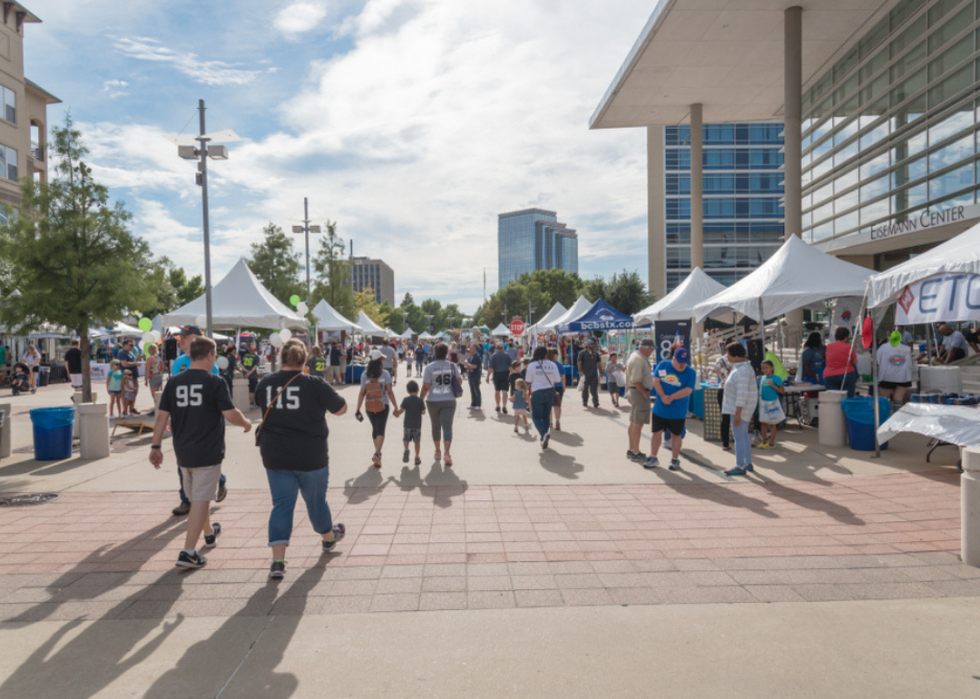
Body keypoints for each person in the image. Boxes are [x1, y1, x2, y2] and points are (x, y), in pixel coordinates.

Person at [149, 336, 251, 569]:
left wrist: (155, 447)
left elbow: (161, 417)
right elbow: (230, 412)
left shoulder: (173, 383)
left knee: (197, 497)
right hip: (208, 451)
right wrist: (246, 423)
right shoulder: (214, 381)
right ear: (209, 355)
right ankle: (188, 552)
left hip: (183, 450)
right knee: (201, 498)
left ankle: (208, 532)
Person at [254, 338, 347, 579]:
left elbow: (260, 405)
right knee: (316, 501)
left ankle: (277, 561)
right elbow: (341, 409)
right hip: (311, 453)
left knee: (282, 505)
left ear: (280, 358)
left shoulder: (266, 383)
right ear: (304, 359)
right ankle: (328, 537)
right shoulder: (314, 383)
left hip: (276, 454)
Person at [170, 325, 226, 516]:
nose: (182, 340)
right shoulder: (178, 362)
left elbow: (215, 394)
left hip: (203, 423)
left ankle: (213, 484)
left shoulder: (211, 363)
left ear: (197, 339)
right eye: (181, 337)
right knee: (183, 461)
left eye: (186, 336)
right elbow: (174, 391)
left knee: (201, 462)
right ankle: (187, 499)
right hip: (183, 421)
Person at [646, 348, 696, 471]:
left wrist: (672, 397)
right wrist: (663, 396)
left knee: (676, 434)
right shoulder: (663, 365)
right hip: (660, 409)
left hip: (678, 411)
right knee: (657, 432)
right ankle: (653, 456)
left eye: (684, 362)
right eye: (679, 361)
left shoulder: (690, 372)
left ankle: (675, 459)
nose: (682, 365)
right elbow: (656, 381)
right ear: (673, 359)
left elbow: (688, 390)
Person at [355, 349, 398, 468]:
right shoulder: (385, 374)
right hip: (383, 404)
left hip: (369, 406)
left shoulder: (364, 375)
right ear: (380, 361)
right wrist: (395, 406)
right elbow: (389, 392)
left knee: (375, 429)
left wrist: (357, 409)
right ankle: (377, 454)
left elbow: (362, 392)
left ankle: (377, 453)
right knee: (381, 429)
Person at [420, 343, 460, 466]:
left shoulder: (429, 367)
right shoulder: (452, 366)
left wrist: (420, 399)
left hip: (433, 400)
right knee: (447, 426)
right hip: (449, 399)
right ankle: (447, 453)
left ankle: (437, 451)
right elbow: (459, 381)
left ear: (435, 353)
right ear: (446, 352)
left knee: (435, 425)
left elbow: (426, 386)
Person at [722, 342, 758, 477]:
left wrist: (738, 413)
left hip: (739, 409)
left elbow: (742, 394)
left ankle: (740, 465)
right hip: (740, 408)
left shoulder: (742, 370)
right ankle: (747, 462)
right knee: (743, 436)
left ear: (736, 355)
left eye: (728, 353)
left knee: (739, 437)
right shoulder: (742, 368)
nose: (727, 356)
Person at [525, 345, 562, 450]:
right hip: (550, 392)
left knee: (536, 417)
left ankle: (543, 434)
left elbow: (527, 381)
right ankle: (543, 438)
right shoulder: (552, 364)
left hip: (537, 392)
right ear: (546, 354)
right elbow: (558, 380)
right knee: (546, 416)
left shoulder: (532, 365)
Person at [626, 339, 655, 461]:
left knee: (634, 422)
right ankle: (635, 452)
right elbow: (636, 380)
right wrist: (644, 392)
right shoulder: (639, 359)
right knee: (638, 424)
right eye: (652, 349)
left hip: (635, 392)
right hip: (639, 392)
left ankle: (632, 449)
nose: (652, 351)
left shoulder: (635, 356)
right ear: (646, 347)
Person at [394, 379, 425, 466]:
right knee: (417, 441)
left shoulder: (406, 400)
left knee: (406, 439)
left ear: (407, 391)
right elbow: (423, 412)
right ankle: (417, 457)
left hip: (407, 424)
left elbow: (401, 410)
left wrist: (396, 414)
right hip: (417, 425)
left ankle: (406, 449)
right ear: (418, 390)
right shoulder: (420, 400)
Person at [877, 330, 913, 403]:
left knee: (883, 399)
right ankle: (898, 413)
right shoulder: (907, 349)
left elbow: (877, 362)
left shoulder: (883, 348)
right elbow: (910, 363)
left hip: (887, 377)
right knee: (898, 398)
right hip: (902, 378)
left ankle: (885, 413)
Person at [824, 327, 859, 398]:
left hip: (829, 375)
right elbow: (855, 362)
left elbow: (826, 360)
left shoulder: (828, 347)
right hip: (846, 374)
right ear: (846, 338)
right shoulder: (848, 347)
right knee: (847, 398)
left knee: (833, 399)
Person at [758, 360, 785, 449]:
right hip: (763, 403)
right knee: (763, 422)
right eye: (763, 368)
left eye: (766, 368)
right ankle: (764, 441)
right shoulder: (761, 378)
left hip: (773, 403)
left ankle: (772, 443)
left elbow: (782, 391)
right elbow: (758, 390)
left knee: (773, 423)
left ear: (772, 368)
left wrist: (773, 385)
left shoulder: (776, 378)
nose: (764, 370)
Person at [713, 351, 735, 451]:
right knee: (737, 416)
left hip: (722, 388)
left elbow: (717, 373)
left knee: (725, 418)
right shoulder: (737, 361)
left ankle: (725, 443)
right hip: (734, 389)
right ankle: (737, 439)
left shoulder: (719, 360)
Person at [486, 342, 512, 414]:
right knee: (504, 391)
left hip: (496, 374)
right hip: (505, 374)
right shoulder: (506, 355)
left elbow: (490, 368)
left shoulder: (494, 356)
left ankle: (498, 405)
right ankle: (504, 406)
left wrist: (488, 376)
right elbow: (510, 366)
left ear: (496, 348)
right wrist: (511, 375)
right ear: (503, 347)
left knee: (497, 391)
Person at [116, 340, 141, 412]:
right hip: (126, 376)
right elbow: (124, 364)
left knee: (134, 392)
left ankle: (131, 408)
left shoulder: (130, 352)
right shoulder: (122, 352)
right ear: (125, 345)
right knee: (125, 393)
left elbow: (132, 360)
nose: (132, 347)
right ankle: (125, 410)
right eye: (130, 345)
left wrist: (138, 359)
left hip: (133, 376)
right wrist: (135, 364)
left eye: (133, 345)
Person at [577, 341, 601, 409]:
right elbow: (579, 362)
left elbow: (599, 363)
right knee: (585, 389)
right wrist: (580, 371)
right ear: (587, 345)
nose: (593, 345)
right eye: (591, 344)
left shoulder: (596, 354)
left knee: (594, 389)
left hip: (594, 374)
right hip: (585, 374)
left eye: (593, 344)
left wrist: (601, 372)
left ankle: (595, 402)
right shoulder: (582, 353)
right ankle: (585, 401)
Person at [547, 348, 565, 431]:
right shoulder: (559, 365)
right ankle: (557, 420)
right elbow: (563, 377)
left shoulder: (546, 364)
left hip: (548, 386)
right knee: (557, 404)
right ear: (555, 355)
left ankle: (550, 422)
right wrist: (564, 387)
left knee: (549, 405)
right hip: (558, 386)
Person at [144, 343, 164, 411]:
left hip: (153, 377)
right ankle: (158, 407)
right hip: (158, 376)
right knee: (158, 393)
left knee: (154, 395)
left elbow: (148, 370)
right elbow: (163, 367)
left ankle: (157, 408)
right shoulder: (158, 358)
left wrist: (146, 380)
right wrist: (158, 371)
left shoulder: (149, 358)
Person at [239, 343, 259, 408]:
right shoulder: (256, 357)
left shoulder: (244, 356)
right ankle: (252, 403)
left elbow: (240, 365)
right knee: (252, 390)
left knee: (246, 389)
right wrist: (249, 372)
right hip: (253, 376)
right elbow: (255, 367)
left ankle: (246, 402)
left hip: (245, 375)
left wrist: (246, 371)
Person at [465, 344, 483, 411]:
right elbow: (470, 366)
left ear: (475, 348)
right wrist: (467, 370)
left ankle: (478, 404)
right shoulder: (472, 356)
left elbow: (475, 366)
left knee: (476, 390)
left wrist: (468, 365)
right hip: (471, 375)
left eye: (471, 347)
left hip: (475, 375)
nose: (470, 349)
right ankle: (473, 404)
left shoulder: (476, 357)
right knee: (472, 390)